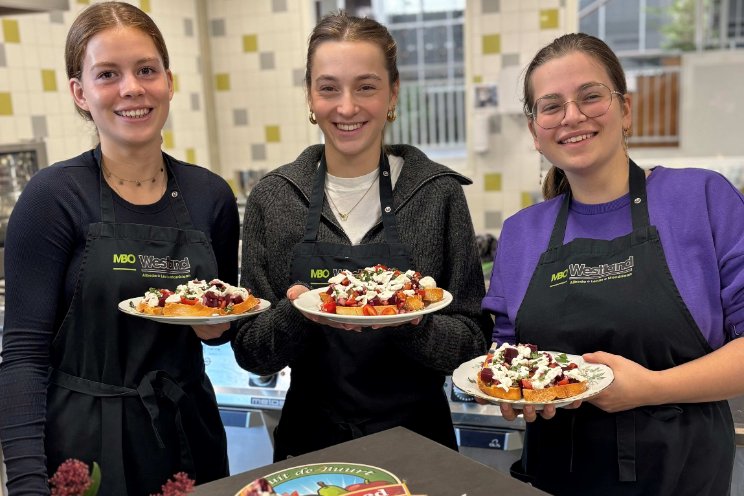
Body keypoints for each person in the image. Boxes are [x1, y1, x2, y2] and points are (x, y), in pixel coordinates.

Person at [482, 32, 744, 495]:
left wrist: (651, 387)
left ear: (625, 110)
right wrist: (518, 396)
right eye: (551, 105)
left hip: (682, 477)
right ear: (535, 131)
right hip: (555, 478)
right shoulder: (522, 234)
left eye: (590, 97)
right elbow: (508, 358)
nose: (573, 117)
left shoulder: (701, 199)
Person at [0, 3, 238, 494]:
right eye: (108, 74)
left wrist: (217, 331)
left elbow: (216, 326)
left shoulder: (210, 197)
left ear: (169, 81)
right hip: (86, 447)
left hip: (189, 437)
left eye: (146, 70)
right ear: (80, 92)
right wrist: (26, 484)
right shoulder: (53, 198)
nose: (132, 88)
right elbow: (23, 357)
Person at [232, 10, 490, 461]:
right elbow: (252, 352)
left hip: (421, 445)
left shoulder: (438, 194)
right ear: (310, 98)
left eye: (366, 87)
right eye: (328, 87)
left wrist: (412, 321)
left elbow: (471, 343)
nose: (346, 107)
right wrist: (300, 312)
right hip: (309, 447)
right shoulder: (274, 198)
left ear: (392, 94)